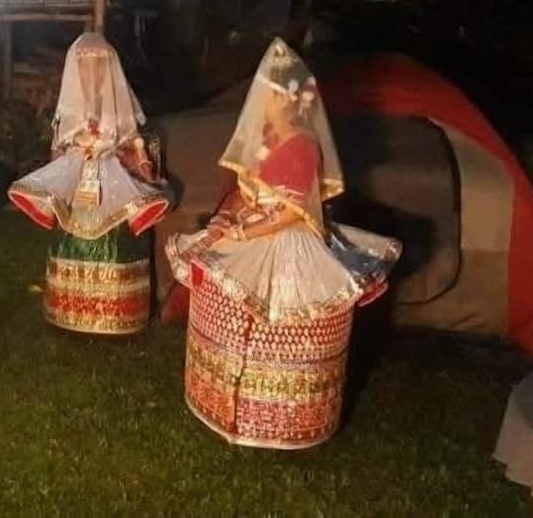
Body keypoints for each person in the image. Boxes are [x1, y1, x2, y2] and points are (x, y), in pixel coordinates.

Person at [165, 37, 400, 449]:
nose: (263, 103)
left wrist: (246, 232)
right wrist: (229, 217)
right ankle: (226, 405)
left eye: (270, 95)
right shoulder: (268, 138)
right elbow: (247, 189)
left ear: (288, 100)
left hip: (286, 239)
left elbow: (293, 210)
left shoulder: (302, 145)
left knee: (280, 316)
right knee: (223, 293)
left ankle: (279, 419)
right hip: (254, 225)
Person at [8, 32, 171, 335]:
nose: (91, 73)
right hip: (79, 181)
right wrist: (68, 162)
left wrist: (139, 165)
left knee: (114, 236)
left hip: (112, 181)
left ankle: (116, 310)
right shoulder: (69, 111)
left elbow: (134, 142)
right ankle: (72, 307)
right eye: (84, 66)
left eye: (98, 65)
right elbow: (58, 148)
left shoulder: (117, 106)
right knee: (74, 236)